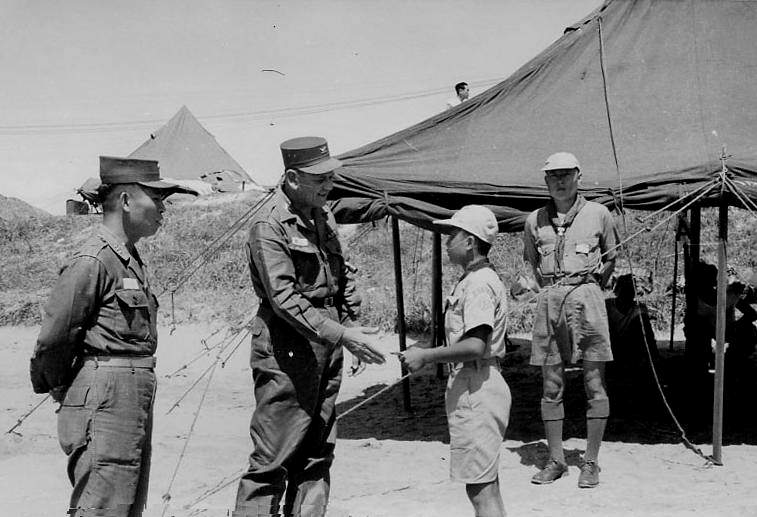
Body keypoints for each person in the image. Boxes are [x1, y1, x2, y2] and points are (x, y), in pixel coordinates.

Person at [30, 156, 195, 517]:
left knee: (125, 500)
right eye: (157, 198)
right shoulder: (94, 259)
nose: (163, 209)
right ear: (125, 201)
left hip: (128, 390)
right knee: (103, 505)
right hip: (106, 394)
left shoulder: (127, 259)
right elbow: (54, 337)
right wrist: (64, 388)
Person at [233, 136, 386, 517]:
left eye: (330, 177)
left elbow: (340, 276)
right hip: (287, 346)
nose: (328, 185)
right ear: (292, 178)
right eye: (320, 179)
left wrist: (350, 327)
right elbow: (283, 298)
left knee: (318, 452)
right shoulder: (269, 225)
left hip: (328, 342)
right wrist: (343, 334)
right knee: (274, 457)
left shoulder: (324, 215)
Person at [400, 205, 511, 517]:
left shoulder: (478, 283)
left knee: (480, 489)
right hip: (476, 382)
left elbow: (475, 345)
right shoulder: (473, 279)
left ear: (470, 242)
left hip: (477, 385)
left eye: (453, 235)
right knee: (485, 485)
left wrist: (425, 356)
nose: (447, 242)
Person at [521, 152, 617, 489]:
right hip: (549, 300)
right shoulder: (534, 220)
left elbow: (610, 258)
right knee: (551, 385)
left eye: (566, 174)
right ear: (545, 180)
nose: (559, 181)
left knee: (594, 382)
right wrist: (552, 291)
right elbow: (533, 264)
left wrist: (589, 288)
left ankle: (590, 461)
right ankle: (556, 460)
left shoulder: (599, 214)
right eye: (553, 175)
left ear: (579, 176)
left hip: (588, 299)